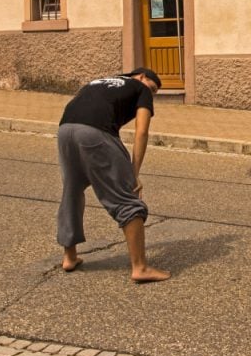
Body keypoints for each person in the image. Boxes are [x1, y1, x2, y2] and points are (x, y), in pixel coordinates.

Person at [56, 67, 171, 282]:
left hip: (65, 129)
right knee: (127, 196)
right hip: (94, 132)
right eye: (153, 89)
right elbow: (142, 130)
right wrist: (134, 171)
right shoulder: (140, 87)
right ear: (142, 77)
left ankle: (69, 257)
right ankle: (140, 268)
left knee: (72, 190)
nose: (152, 94)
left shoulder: (98, 80)